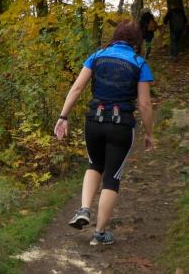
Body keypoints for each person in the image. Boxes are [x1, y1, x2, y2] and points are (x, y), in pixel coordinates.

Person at [54, 21, 154, 246]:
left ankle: (84, 209)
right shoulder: (139, 63)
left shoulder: (97, 56)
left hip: (94, 122)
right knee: (112, 177)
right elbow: (145, 104)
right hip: (121, 126)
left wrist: (63, 116)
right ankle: (99, 234)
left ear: (115, 37)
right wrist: (149, 134)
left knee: (94, 165)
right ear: (136, 41)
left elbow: (77, 88)